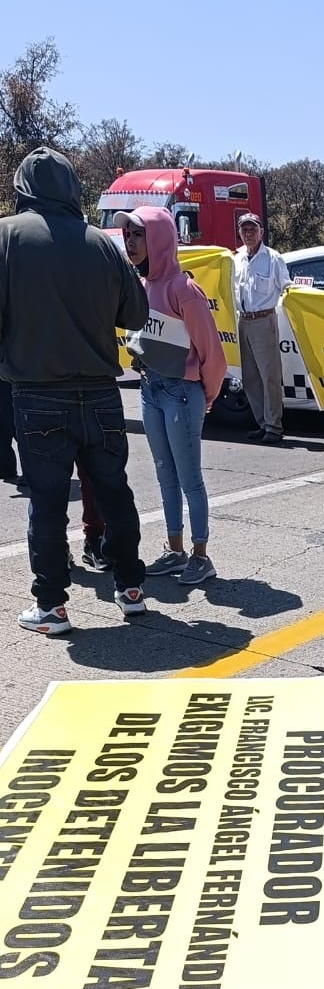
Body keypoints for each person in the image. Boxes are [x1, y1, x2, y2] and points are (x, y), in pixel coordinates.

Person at [0, 147, 149, 635]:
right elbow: (135, 313)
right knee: (114, 492)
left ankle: (51, 606)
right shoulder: (101, 243)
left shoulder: (7, 236)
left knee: (47, 501)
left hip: (37, 392)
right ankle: (131, 589)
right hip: (102, 392)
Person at [116, 208, 227, 585]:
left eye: (138, 234)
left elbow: (213, 354)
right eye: (128, 235)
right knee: (165, 475)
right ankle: (175, 550)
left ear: (159, 240)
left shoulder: (184, 289)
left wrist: (204, 396)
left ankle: (201, 556)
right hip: (151, 390)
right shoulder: (141, 285)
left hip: (181, 394)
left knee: (189, 479)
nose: (130, 242)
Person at [234, 212, 290, 445]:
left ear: (261, 232)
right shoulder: (235, 258)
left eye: (253, 229)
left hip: (264, 321)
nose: (248, 234)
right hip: (242, 321)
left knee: (269, 378)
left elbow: (287, 288)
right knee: (250, 378)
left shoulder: (274, 258)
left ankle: (274, 427)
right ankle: (263, 423)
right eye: (244, 230)